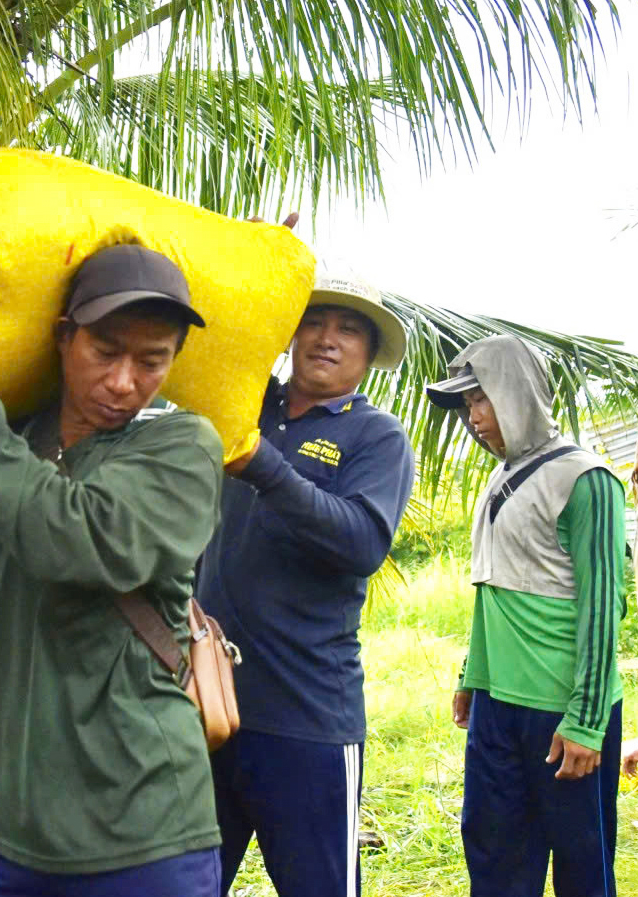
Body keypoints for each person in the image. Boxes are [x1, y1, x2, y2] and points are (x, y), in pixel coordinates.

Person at [0, 244, 225, 897]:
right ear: (64, 338)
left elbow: (70, 539)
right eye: (105, 352)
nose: (123, 382)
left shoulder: (181, 447)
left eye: (152, 361)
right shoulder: (11, 440)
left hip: (138, 827)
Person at [195, 266, 415, 897]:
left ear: (369, 354)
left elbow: (362, 542)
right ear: (289, 334)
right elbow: (205, 345)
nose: (327, 338)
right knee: (182, 884)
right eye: (313, 321)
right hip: (206, 705)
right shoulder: (245, 404)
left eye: (349, 329)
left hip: (308, 716)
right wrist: (249, 271)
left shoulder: (375, 436)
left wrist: (263, 465)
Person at [426, 334, 626, 897]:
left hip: (562, 711)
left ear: (516, 394)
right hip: (497, 707)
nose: (473, 418)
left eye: (480, 399)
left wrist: (586, 721)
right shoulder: (501, 476)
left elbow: (603, 605)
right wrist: (472, 675)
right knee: (495, 855)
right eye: (467, 404)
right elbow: (493, 587)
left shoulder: (586, 479)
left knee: (582, 865)